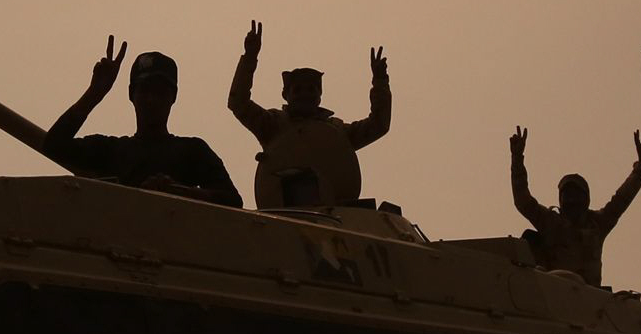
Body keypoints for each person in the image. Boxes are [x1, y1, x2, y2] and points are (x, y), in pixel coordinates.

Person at [42, 36, 241, 206]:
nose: (151, 100)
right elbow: (54, 145)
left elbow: (232, 201)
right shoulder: (111, 151)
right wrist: (95, 92)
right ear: (131, 94)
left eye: (160, 92)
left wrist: (178, 192)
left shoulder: (193, 150)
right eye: (145, 91)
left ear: (173, 97)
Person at [227, 21, 389, 208]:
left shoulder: (337, 131)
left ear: (320, 95)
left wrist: (380, 82)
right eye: (298, 89)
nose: (305, 94)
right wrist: (250, 57)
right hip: (286, 216)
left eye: (312, 89)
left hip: (334, 218)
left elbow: (378, 125)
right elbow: (238, 103)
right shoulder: (273, 125)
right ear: (286, 95)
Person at [509, 127, 641, 286]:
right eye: (567, 195)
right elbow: (523, 200)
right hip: (555, 294)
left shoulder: (597, 224)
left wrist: (640, 168)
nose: (572, 200)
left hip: (590, 300)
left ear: (586, 199)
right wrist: (517, 158)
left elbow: (622, 199)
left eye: (577, 195)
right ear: (560, 199)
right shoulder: (551, 223)